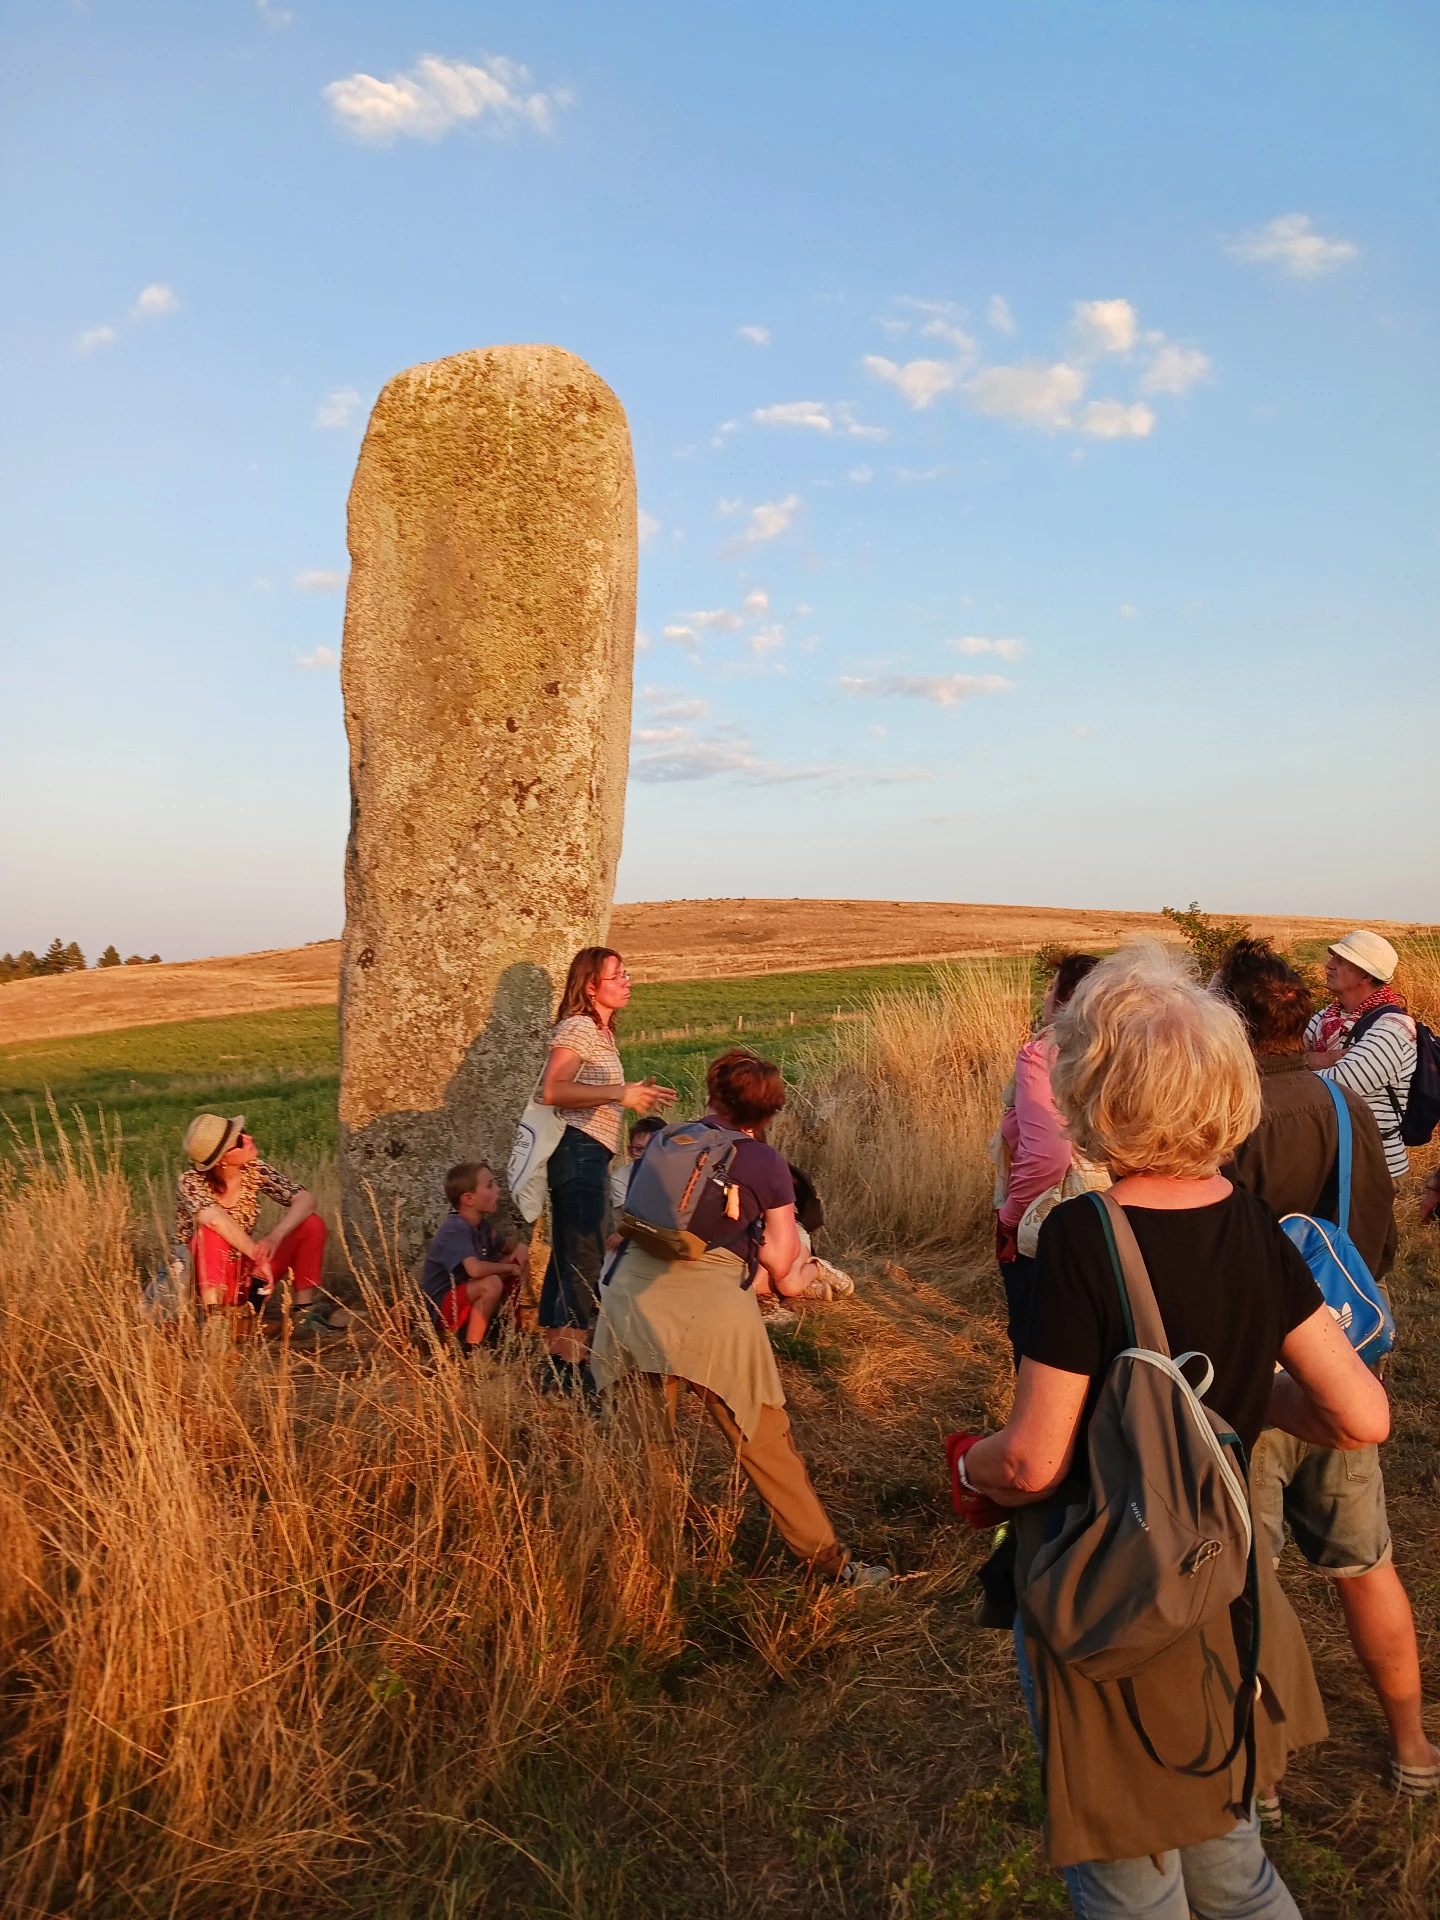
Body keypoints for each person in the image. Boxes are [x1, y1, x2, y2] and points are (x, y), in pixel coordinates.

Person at [956, 945, 1389, 1916]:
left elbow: (1031, 1458)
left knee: (1128, 1879)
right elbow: (1360, 1413)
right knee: (1232, 1864)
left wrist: (968, 1464)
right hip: (1220, 1580)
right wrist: (1232, 1408)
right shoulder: (1254, 1226)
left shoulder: (1082, 1236)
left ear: (1092, 1089)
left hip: (1106, 1583)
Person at [1216, 939, 1439, 1804]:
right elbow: (1376, 1243)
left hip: (1253, 1376)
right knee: (1367, 1560)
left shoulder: (1221, 1119)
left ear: (1230, 1024)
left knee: (1249, 1579)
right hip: (1342, 1362)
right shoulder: (1347, 1105)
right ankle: (1414, 1746)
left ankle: (1261, 1777)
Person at [591, 1048, 890, 1589]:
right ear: (771, 1113)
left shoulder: (665, 1140)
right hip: (710, 1311)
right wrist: (801, 1272)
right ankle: (831, 1567)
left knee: (640, 1448)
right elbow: (778, 1260)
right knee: (764, 1442)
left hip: (630, 1300)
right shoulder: (766, 1164)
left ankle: (642, 1570)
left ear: (711, 1096)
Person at [539, 948, 676, 1393]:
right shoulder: (579, 1027)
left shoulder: (599, 1030)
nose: (627, 981)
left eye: (626, 973)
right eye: (617, 976)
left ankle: (557, 1366)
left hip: (584, 1152)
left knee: (568, 1257)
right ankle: (574, 1373)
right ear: (590, 986)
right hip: (579, 1152)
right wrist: (620, 1094)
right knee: (583, 1259)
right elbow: (553, 1090)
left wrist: (630, 1094)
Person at [992, 951, 1102, 1360]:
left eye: (1051, 986)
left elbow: (1047, 1154)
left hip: (1050, 1224)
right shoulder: (1125, 1050)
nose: (1045, 995)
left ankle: (1044, 1422)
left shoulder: (1043, 1054)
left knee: (1038, 1338)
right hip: (1114, 1215)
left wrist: (1010, 1219)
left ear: (1063, 998)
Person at [176, 1113, 345, 1334]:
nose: (248, 1138)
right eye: (238, 1141)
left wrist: (275, 1238)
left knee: (311, 1224)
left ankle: (302, 1312)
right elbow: (216, 1220)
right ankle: (214, 1319)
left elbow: (304, 1200)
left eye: (243, 1133)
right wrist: (257, 1254)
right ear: (221, 1160)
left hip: (246, 1274)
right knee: (209, 1232)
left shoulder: (253, 1169)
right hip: (206, 1279)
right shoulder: (190, 1183)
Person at [1304, 930, 1416, 1183]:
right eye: (1332, 957)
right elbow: (1283, 1054)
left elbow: (1339, 1087)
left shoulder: (1394, 1028)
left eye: (1341, 961)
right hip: (1331, 1155)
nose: (1328, 965)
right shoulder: (1328, 1016)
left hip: (1372, 1161)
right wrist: (1321, 1060)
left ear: (1365, 975)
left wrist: (1295, 1069)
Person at [420, 1162, 529, 1356]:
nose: (498, 1189)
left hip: (463, 1297)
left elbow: (506, 1246)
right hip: (440, 1309)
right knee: (492, 1282)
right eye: (490, 1185)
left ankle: (510, 1329)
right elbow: (475, 1270)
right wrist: (509, 1270)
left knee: (515, 1259)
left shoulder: (482, 1227)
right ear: (469, 1199)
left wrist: (520, 1249)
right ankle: (472, 1351)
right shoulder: (457, 1228)